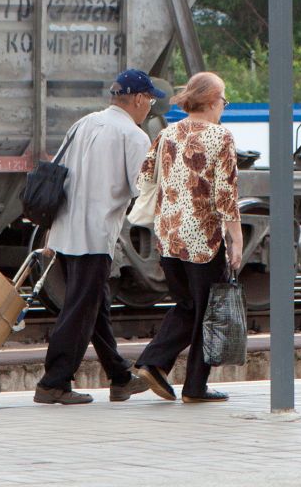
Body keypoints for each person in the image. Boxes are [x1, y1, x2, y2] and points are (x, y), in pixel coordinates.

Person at [33, 68, 166, 405]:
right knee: (80, 310)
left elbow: (57, 175)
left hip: (65, 230)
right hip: (95, 236)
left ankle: (120, 377)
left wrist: (49, 232)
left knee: (94, 305)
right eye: (149, 99)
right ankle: (53, 383)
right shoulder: (133, 136)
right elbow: (143, 189)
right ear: (138, 99)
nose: (149, 106)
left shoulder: (84, 124)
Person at [135, 71, 243, 403]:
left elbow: (145, 177)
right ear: (211, 101)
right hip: (203, 241)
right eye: (223, 99)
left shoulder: (167, 134)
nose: (224, 105)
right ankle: (194, 386)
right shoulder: (220, 136)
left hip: (169, 237)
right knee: (207, 310)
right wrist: (236, 239)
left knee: (188, 305)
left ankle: (154, 363)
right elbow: (225, 194)